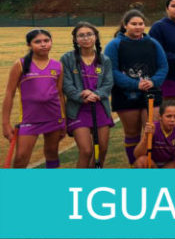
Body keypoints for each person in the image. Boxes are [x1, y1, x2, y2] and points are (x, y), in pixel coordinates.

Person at [104, 9, 167, 165]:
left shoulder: (153, 43)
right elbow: (112, 70)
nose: (138, 27)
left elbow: (163, 66)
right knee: (132, 133)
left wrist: (153, 82)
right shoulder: (115, 45)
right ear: (125, 25)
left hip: (151, 94)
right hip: (125, 95)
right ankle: (135, 164)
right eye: (134, 24)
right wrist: (135, 84)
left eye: (141, 24)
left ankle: (151, 164)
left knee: (152, 131)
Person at [2, 29, 65, 168]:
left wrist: (63, 120)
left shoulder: (58, 65)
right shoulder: (20, 64)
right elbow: (9, 94)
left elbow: (59, 94)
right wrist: (5, 124)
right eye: (37, 41)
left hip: (53, 118)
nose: (43, 44)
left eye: (46, 41)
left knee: (52, 152)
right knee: (21, 157)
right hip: (29, 120)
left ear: (51, 42)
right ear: (29, 45)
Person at [61, 22, 114, 168]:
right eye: (81, 35)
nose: (86, 38)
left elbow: (108, 84)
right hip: (78, 110)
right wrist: (80, 96)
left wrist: (96, 94)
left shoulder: (105, 60)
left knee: (102, 150)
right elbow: (66, 84)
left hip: (100, 108)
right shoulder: (67, 59)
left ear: (96, 37)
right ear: (76, 39)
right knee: (86, 150)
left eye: (89, 34)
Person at [133, 100, 175, 169]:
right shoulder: (153, 127)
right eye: (168, 116)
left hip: (168, 164)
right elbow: (137, 155)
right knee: (141, 162)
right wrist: (146, 137)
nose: (172, 120)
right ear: (160, 117)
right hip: (152, 163)